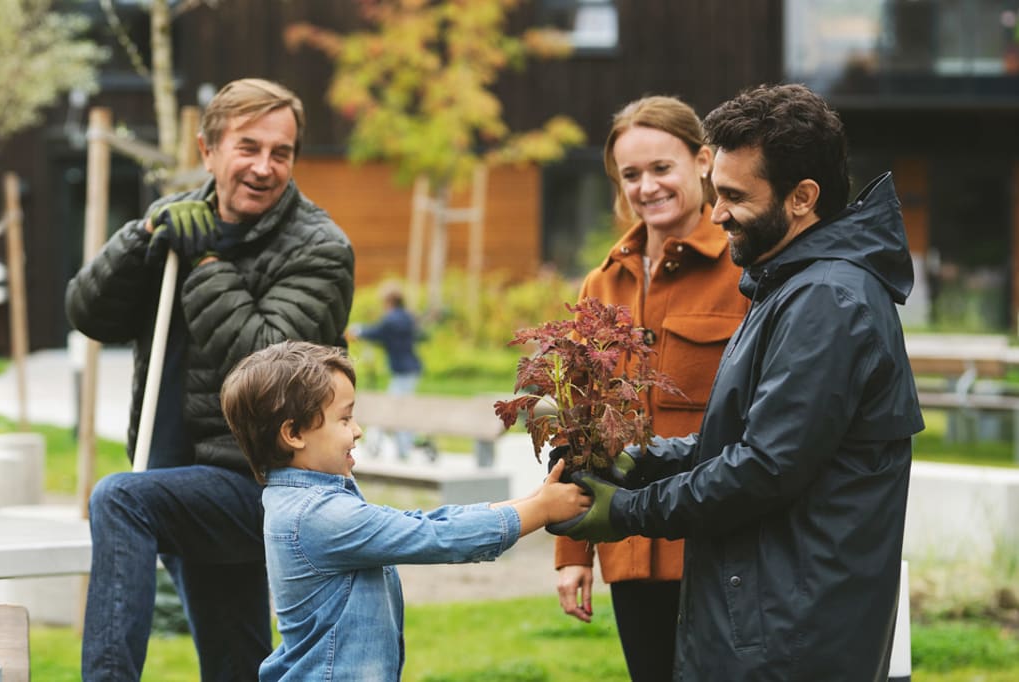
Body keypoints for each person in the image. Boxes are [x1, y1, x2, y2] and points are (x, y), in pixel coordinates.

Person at [548, 83, 924, 680]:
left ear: (802, 198)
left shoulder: (827, 300)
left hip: (791, 625)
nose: (717, 212)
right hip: (764, 604)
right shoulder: (791, 286)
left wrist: (627, 511)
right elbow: (741, 440)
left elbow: (764, 468)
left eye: (733, 196)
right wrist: (639, 460)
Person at [64, 78, 355, 681]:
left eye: (282, 153)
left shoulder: (319, 248)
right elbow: (89, 313)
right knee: (235, 664)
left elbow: (270, 372)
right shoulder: (177, 227)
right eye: (248, 147)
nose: (264, 167)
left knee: (120, 499)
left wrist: (205, 265)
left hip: (270, 480)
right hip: (183, 469)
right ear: (208, 151)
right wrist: (141, 237)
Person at [220, 340, 590, 680]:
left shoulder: (310, 500)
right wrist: (540, 512)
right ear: (294, 434)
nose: (358, 430)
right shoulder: (317, 516)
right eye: (345, 419)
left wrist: (535, 500)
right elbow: (434, 536)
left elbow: (423, 522)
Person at [551, 95, 749, 681]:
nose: (647, 187)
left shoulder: (748, 271)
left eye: (662, 168)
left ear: (703, 162)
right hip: (628, 544)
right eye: (630, 174)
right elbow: (578, 425)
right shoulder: (602, 282)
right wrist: (572, 551)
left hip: (719, 544)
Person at [347, 281, 424, 459]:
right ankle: (402, 446)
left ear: (389, 301)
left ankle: (401, 447)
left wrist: (358, 331)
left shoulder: (393, 319)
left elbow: (378, 332)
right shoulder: (405, 316)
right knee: (400, 407)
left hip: (404, 370)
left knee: (395, 408)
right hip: (408, 369)